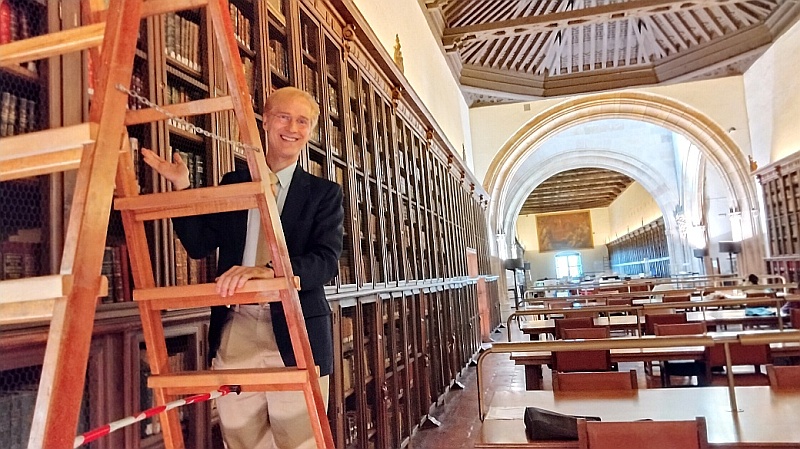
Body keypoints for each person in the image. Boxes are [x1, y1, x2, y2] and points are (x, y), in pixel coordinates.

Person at [142, 86, 344, 449]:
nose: (293, 128)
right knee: (242, 443)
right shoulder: (234, 184)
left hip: (296, 332)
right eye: (284, 116)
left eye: (303, 121)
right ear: (264, 121)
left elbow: (326, 261)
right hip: (237, 331)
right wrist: (182, 188)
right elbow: (199, 244)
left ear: (310, 130)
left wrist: (271, 271)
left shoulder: (323, 194)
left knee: (301, 444)